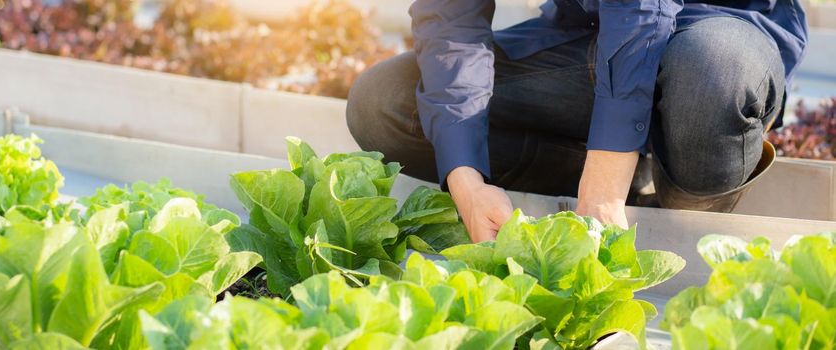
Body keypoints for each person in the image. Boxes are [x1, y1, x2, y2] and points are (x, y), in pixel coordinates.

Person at [346, 0, 807, 243]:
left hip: (715, 27)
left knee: (714, 73)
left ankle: (678, 230)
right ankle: (631, 181)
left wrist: (604, 185)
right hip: (581, 35)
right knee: (385, 102)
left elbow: (640, 12)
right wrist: (466, 180)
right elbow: (451, 18)